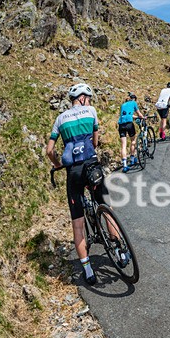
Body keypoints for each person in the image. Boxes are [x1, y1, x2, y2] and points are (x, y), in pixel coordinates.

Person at [45, 83, 107, 285]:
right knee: (106, 207)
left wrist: (58, 164)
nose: (88, 101)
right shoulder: (91, 111)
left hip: (73, 171)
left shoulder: (60, 119)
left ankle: (88, 269)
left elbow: (49, 151)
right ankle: (119, 249)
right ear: (83, 98)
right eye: (88, 98)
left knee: (78, 224)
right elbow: (96, 141)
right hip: (91, 165)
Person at [118, 92, 145, 172]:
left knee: (123, 145)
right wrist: (142, 117)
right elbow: (139, 114)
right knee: (133, 141)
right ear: (134, 99)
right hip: (129, 124)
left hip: (121, 125)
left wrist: (135, 117)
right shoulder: (134, 103)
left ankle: (125, 165)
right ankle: (132, 159)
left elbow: (127, 115)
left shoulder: (123, 105)